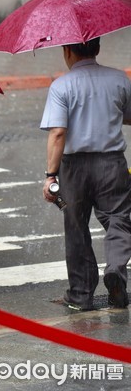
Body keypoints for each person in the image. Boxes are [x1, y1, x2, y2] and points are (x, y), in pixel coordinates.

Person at [40, 37, 131, 310]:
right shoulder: (119, 80)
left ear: (67, 51)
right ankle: (115, 269)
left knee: (76, 226)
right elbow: (128, 115)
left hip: (74, 169)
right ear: (98, 48)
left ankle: (80, 294)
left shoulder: (61, 86)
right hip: (112, 164)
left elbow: (58, 132)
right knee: (119, 220)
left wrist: (50, 175)